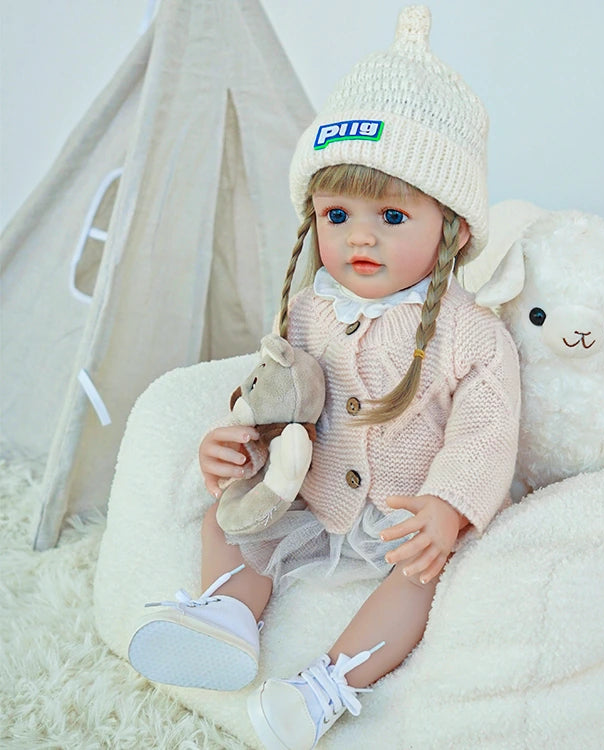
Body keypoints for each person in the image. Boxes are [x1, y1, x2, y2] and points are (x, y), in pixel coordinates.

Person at [127, 6, 520, 749]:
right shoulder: (309, 310)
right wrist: (238, 441)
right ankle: (230, 612)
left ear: (455, 230)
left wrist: (447, 505)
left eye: (393, 216)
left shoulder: (472, 333)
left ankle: (328, 685)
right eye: (338, 212)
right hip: (311, 491)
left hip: (402, 510)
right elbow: (277, 395)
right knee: (229, 516)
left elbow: (486, 429)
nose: (360, 236)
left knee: (418, 577)